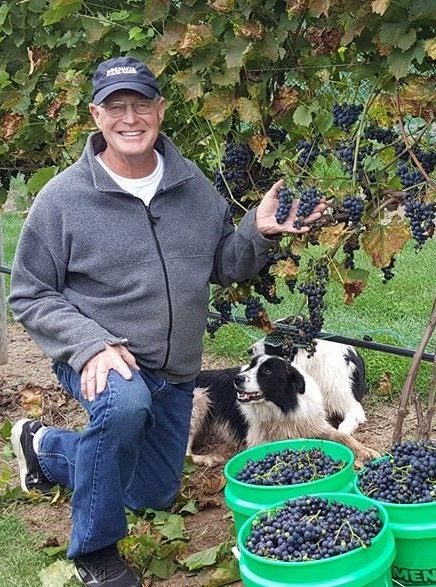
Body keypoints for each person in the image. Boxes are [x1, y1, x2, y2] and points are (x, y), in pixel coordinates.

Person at [8, 56, 323, 587]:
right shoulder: (62, 199)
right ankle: (95, 553)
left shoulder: (192, 187)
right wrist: (90, 343)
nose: (129, 118)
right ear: (96, 116)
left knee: (151, 492)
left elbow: (223, 263)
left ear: (159, 109)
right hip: (103, 358)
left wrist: (259, 233)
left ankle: (43, 447)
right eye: (115, 108)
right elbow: (29, 292)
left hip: (176, 368)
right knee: (124, 408)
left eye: (140, 105)